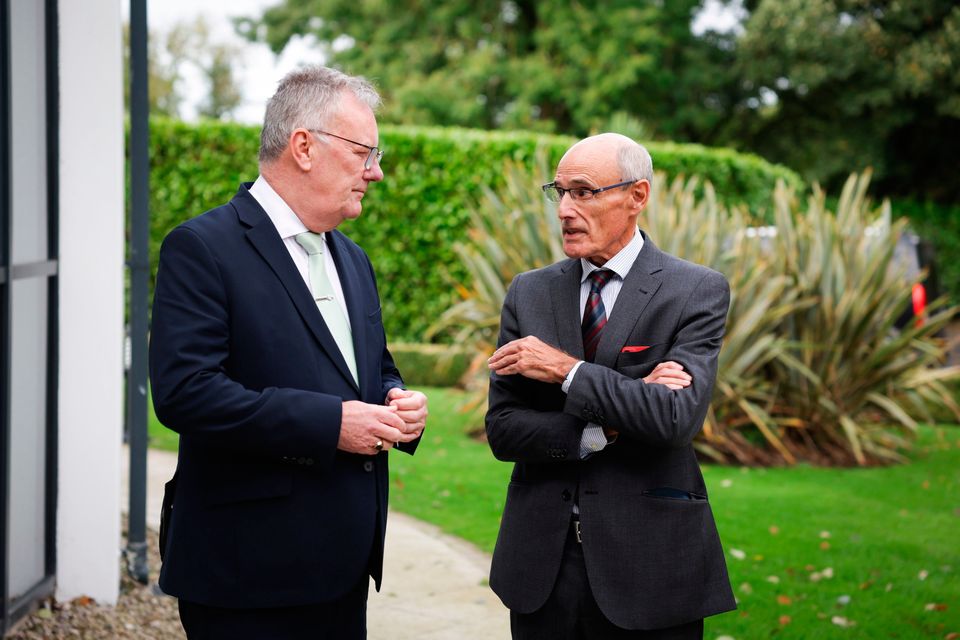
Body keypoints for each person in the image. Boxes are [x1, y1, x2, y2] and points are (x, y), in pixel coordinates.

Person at [149, 65, 427, 639]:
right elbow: (185, 394)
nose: (374, 173)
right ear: (304, 146)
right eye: (364, 153)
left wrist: (395, 401)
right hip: (247, 573)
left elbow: (369, 369)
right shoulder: (202, 247)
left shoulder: (352, 258)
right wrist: (332, 424)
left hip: (344, 569)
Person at [485, 133, 736, 639]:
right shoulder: (528, 292)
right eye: (559, 192)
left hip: (650, 569)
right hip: (541, 571)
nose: (564, 210)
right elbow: (504, 429)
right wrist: (615, 416)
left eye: (583, 191)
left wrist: (565, 372)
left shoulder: (696, 290)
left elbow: (674, 419)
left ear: (637, 196)